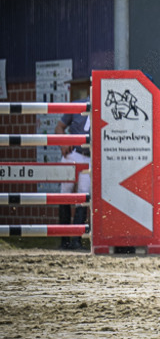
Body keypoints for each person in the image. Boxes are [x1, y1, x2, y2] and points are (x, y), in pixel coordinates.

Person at [55, 96, 90, 250]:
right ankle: (64, 240)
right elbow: (59, 127)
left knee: (83, 195)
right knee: (65, 193)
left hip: (90, 157)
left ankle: (76, 240)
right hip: (72, 152)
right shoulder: (77, 105)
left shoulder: (106, 107)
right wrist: (63, 141)